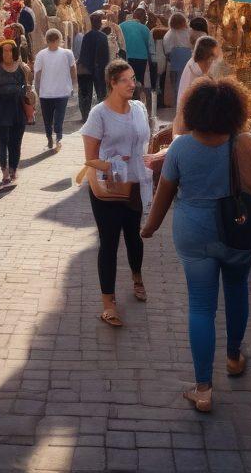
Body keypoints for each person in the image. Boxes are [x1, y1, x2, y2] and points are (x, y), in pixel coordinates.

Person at [141, 78, 251, 413]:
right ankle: (233, 357)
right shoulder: (244, 141)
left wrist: (150, 228)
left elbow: (164, 195)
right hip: (238, 232)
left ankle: (203, 389)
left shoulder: (181, 147)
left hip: (194, 233)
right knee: (237, 289)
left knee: (201, 308)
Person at [81, 59, 151, 327]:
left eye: (133, 79)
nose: (132, 84)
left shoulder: (140, 109)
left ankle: (137, 276)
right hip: (107, 188)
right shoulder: (99, 114)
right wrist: (113, 163)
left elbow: (144, 142)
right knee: (109, 242)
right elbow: (90, 158)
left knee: (135, 237)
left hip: (135, 184)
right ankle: (108, 303)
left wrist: (152, 157)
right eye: (126, 80)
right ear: (113, 83)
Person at [0, 41, 29, 185]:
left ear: (15, 52)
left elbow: (26, 87)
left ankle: (13, 169)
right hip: (1, 110)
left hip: (18, 110)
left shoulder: (21, 68)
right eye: (4, 51)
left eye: (10, 51)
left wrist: (27, 77)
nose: (7, 54)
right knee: (3, 141)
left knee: (16, 142)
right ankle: (4, 172)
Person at [34, 28, 77, 151]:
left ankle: (50, 139)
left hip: (45, 93)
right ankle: (58, 138)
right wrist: (73, 85)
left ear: (46, 40)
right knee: (59, 117)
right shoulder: (67, 53)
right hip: (62, 92)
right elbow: (73, 70)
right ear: (59, 40)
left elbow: (37, 74)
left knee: (47, 119)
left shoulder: (41, 54)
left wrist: (37, 90)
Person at [171, 37, 221, 136]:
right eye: (214, 57)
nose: (215, 61)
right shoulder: (195, 72)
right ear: (209, 58)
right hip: (189, 125)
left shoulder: (195, 64)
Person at [77, 11, 111, 122]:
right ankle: (101, 116)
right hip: (99, 69)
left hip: (86, 68)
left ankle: (84, 116)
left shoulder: (86, 36)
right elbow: (106, 55)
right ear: (100, 24)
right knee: (101, 93)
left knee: (85, 94)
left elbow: (83, 53)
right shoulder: (103, 37)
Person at [118, 7, 153, 93]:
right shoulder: (145, 29)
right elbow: (150, 46)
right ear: (143, 18)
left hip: (126, 58)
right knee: (139, 81)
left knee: (126, 80)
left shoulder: (121, 26)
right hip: (141, 58)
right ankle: (137, 100)